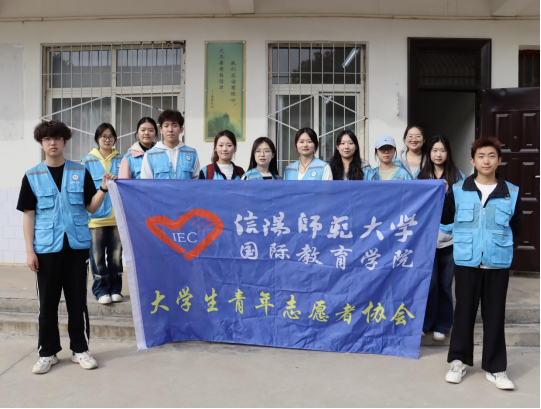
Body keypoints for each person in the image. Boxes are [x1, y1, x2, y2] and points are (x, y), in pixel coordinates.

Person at [17, 120, 117, 374]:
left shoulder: (79, 171)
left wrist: (103, 188)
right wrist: (29, 251)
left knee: (77, 302)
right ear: (41, 143)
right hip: (46, 250)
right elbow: (29, 215)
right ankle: (47, 353)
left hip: (76, 248)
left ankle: (80, 350)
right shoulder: (32, 176)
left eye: (57, 138)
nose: (52, 143)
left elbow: (91, 207)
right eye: (47, 139)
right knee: (47, 305)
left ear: (64, 142)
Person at [442, 137, 523, 390]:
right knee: (463, 314)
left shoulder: (511, 192)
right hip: (466, 262)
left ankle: (496, 368)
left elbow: (516, 226)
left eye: (491, 156)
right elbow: (445, 221)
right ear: (472, 161)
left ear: (499, 160)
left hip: (497, 263)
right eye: (481, 156)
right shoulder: (458, 190)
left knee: (495, 316)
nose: (486, 160)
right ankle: (458, 361)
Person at [418, 135, 465, 341]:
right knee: (430, 283)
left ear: (448, 153)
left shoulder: (458, 177)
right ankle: (426, 322)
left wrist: (447, 193)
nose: (438, 154)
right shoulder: (422, 177)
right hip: (427, 239)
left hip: (451, 238)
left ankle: (443, 324)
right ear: (429, 153)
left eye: (442, 150)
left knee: (445, 284)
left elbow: (462, 209)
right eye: (435, 150)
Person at [81, 124, 123, 304]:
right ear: (97, 138)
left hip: (118, 219)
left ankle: (115, 289)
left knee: (116, 257)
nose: (107, 139)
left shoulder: (122, 160)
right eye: (103, 136)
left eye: (110, 136)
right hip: (95, 219)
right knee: (97, 257)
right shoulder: (87, 161)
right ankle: (101, 290)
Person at [140, 110, 200, 179]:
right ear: (161, 130)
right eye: (166, 126)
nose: (170, 130)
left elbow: (196, 181)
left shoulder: (192, 153)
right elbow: (146, 183)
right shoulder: (150, 154)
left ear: (181, 129)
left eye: (174, 126)